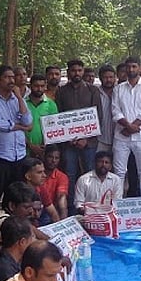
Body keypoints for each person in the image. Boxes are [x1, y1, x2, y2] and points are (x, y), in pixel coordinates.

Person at [0, 65, 33, 222]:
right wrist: (17, 126)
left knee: (16, 196)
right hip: (0, 156)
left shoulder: (17, 99)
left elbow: (28, 121)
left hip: (19, 155)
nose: (12, 80)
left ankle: (15, 227)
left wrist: (19, 98)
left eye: (13, 77)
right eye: (7, 77)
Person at [56, 59, 103, 201]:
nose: (76, 73)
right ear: (68, 72)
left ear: (83, 71)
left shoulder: (93, 90)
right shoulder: (62, 91)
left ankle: (90, 205)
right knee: (70, 173)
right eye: (73, 70)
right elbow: (59, 117)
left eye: (79, 70)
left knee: (90, 174)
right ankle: (71, 207)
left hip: (89, 142)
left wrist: (86, 139)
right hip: (69, 143)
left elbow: (98, 116)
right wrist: (68, 137)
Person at [112, 57, 141, 196]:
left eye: (134, 66)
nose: (131, 69)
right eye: (128, 67)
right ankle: (117, 204)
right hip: (121, 136)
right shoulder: (118, 89)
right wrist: (127, 126)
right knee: (119, 172)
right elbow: (115, 111)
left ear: (140, 68)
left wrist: (131, 127)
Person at [26, 73, 58, 159]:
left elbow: (54, 128)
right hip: (24, 149)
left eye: (42, 86)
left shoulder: (51, 104)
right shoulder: (22, 103)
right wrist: (31, 146)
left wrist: (44, 146)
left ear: (45, 86)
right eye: (36, 86)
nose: (39, 89)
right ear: (30, 86)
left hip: (45, 151)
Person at [37, 145, 68, 222]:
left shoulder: (62, 177)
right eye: (50, 157)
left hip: (50, 210)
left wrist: (64, 221)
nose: (53, 160)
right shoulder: (35, 173)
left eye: (56, 158)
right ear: (44, 156)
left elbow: (62, 197)